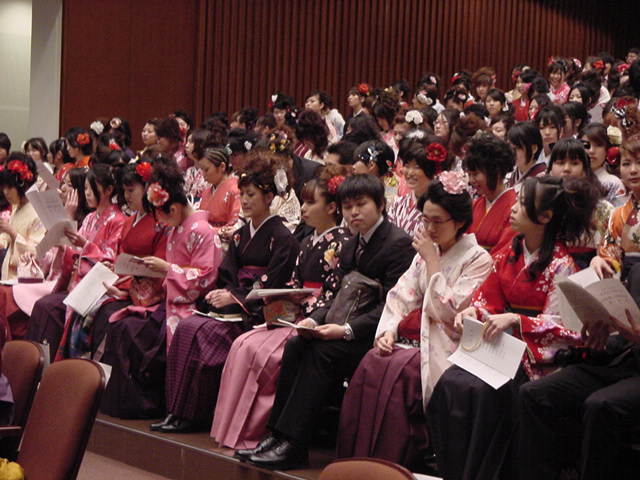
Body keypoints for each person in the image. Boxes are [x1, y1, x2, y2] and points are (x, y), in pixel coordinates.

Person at [427, 175, 598, 480]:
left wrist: (517, 320)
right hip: (501, 347)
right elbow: (487, 298)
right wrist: (473, 310)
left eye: (522, 203)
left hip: (531, 357)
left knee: (480, 391)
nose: (513, 209)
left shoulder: (561, 265)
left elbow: (565, 328)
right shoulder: (509, 252)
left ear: (545, 217)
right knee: (449, 383)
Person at [240, 174, 414, 470]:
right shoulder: (352, 243)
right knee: (296, 345)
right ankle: (276, 433)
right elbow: (334, 294)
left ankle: (295, 443)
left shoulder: (398, 244)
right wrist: (313, 320)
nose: (354, 213)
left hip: (375, 332)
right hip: (342, 322)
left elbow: (392, 305)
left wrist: (346, 330)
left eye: (361, 205)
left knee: (322, 353)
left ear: (381, 205)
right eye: (348, 207)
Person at [336, 172, 492, 468]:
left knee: (402, 372)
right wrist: (388, 330)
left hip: (446, 340)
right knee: (373, 361)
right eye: (425, 220)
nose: (429, 228)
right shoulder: (424, 253)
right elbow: (401, 295)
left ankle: (394, 462)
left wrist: (432, 261)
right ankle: (359, 461)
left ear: (459, 222)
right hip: (412, 336)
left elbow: (449, 313)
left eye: (438, 221)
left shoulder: (478, 259)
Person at [150, 150, 299, 433]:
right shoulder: (241, 234)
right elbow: (228, 273)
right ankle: (176, 409)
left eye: (252, 195)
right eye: (243, 194)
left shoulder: (283, 238)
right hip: (234, 304)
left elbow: (274, 282)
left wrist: (235, 297)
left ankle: (194, 414)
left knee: (202, 334)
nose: (245, 201)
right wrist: (224, 293)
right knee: (187, 327)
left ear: (269, 197)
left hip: (257, 311)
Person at [212, 164, 351, 449]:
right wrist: (281, 304)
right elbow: (293, 282)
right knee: (242, 344)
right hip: (295, 309)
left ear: (331, 207)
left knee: (262, 353)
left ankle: (262, 431)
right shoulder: (307, 241)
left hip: (314, 315)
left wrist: (306, 311)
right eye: (304, 202)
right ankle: (234, 430)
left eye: (311, 203)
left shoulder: (341, 242)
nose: (304, 209)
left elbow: (333, 292)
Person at [102, 159, 222, 419]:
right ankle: (128, 404)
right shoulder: (177, 228)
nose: (161, 222)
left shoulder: (204, 231)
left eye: (163, 215)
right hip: (168, 299)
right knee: (120, 326)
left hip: (190, 304)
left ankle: (154, 405)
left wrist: (168, 269)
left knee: (133, 331)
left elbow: (206, 278)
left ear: (175, 207)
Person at [26, 164, 126, 360]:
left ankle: (57, 365)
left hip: (97, 286)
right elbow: (74, 252)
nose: (86, 193)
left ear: (108, 190)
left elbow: (110, 259)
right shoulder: (89, 218)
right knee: (43, 306)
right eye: (85, 188)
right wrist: (65, 246)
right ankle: (36, 363)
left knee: (49, 307)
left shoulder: (118, 220)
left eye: (91, 188)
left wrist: (85, 246)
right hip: (79, 280)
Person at [546, 138, 613, 268]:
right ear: (550, 169)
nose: (566, 169)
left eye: (574, 163)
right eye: (560, 163)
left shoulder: (603, 209)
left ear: (585, 170)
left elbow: (611, 252)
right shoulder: (541, 206)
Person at [464, 132, 517, 252]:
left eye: (475, 174)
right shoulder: (476, 204)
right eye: (469, 174)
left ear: (495, 171)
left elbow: (506, 251)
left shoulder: (514, 206)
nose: (471, 180)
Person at [387, 137, 438, 236]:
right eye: (407, 166)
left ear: (430, 170)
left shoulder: (438, 206)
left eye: (416, 167)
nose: (410, 173)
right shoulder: (398, 203)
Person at [581, 123, 626, 206]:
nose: (591, 151)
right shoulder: (570, 177)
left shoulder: (613, 183)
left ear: (607, 149)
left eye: (598, 145)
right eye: (586, 145)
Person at [505, 122, 546, 188]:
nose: (512, 152)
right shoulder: (510, 176)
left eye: (517, 148)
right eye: (510, 148)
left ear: (534, 148)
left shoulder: (543, 179)